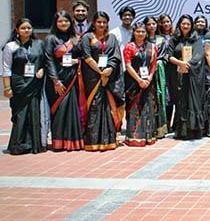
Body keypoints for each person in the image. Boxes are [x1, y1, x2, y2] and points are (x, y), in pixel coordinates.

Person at [80, 11, 124, 151]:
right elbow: (86, 56)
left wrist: (109, 70)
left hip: (109, 78)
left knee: (108, 108)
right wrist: (100, 72)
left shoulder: (111, 38)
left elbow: (116, 56)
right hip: (92, 78)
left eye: (104, 22)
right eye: (99, 22)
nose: (101, 24)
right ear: (93, 23)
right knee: (94, 107)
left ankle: (109, 139)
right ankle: (92, 140)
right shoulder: (87, 37)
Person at [3, 18, 45, 155]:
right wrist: (7, 88)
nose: (26, 30)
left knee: (34, 112)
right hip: (18, 83)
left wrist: (42, 70)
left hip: (34, 83)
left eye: (29, 28)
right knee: (20, 114)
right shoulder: (10, 47)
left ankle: (34, 145)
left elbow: (44, 62)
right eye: (23, 28)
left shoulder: (39, 44)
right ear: (17, 30)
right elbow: (6, 69)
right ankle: (18, 145)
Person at [44, 11, 84, 151]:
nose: (63, 23)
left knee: (73, 111)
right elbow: (48, 61)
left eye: (66, 21)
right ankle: (59, 142)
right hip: (57, 82)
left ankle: (74, 142)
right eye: (60, 21)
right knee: (59, 111)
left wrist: (76, 61)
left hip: (72, 79)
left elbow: (83, 57)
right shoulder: (51, 39)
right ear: (55, 23)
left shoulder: (75, 39)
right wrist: (56, 81)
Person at [167, 14, 206, 140]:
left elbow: (199, 55)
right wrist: (180, 63)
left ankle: (193, 131)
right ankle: (181, 131)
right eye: (183, 24)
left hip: (193, 77)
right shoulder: (174, 39)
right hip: (177, 75)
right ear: (179, 25)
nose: (185, 26)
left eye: (188, 24)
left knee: (192, 101)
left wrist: (187, 64)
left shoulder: (196, 39)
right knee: (180, 101)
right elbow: (169, 55)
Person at [123, 22, 158, 146]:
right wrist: (139, 80)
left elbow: (153, 64)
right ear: (134, 32)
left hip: (148, 82)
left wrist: (149, 78)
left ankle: (148, 136)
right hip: (133, 82)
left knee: (148, 108)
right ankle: (134, 138)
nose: (141, 34)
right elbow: (128, 65)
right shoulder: (129, 46)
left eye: (143, 31)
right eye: (138, 31)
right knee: (134, 109)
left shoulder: (152, 46)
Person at [146, 16, 170, 138]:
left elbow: (167, 55)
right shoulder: (142, 39)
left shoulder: (162, 40)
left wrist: (159, 64)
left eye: (153, 24)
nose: (152, 26)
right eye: (149, 24)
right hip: (145, 73)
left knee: (160, 99)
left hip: (159, 72)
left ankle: (160, 128)